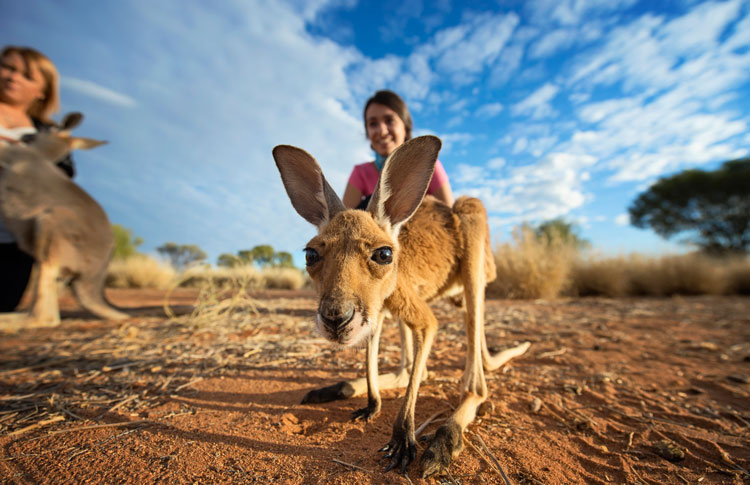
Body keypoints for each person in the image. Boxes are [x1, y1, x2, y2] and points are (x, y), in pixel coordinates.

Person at [0, 45, 74, 312]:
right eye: (7, 67)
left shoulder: (50, 133)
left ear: (42, 91)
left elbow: (63, 178)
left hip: (14, 240)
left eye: (26, 75)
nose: (12, 77)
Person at [342, 90, 454, 210]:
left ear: (405, 126)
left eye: (389, 120)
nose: (382, 131)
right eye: (373, 124)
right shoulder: (361, 173)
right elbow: (340, 222)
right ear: (367, 132)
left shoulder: (429, 166)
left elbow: (452, 218)